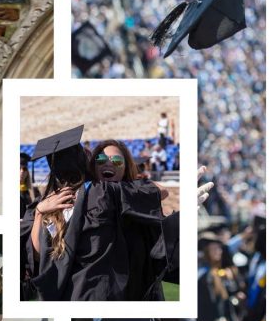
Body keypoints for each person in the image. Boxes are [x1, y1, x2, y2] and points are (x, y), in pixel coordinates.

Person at [21, 126, 174, 301]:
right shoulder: (45, 204)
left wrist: (131, 182)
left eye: (117, 161)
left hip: (102, 292)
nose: (108, 163)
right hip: (67, 294)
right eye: (101, 158)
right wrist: (40, 213)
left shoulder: (106, 192)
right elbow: (37, 257)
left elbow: (160, 191)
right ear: (89, 162)